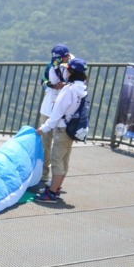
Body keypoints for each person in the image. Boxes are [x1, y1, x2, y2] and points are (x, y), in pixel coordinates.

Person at [35, 58, 88, 202]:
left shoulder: (68, 90)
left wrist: (43, 129)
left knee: (56, 160)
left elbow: (57, 114)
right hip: (72, 129)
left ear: (71, 72)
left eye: (67, 69)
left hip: (63, 129)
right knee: (64, 159)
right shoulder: (82, 89)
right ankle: (56, 187)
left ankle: (51, 193)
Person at [38, 44, 74, 187]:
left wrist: (65, 85)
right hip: (48, 109)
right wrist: (52, 86)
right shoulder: (51, 65)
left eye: (60, 59)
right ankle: (43, 174)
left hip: (64, 113)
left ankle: (57, 181)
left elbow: (79, 85)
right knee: (45, 144)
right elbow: (43, 81)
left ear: (67, 56)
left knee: (62, 149)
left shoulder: (74, 66)